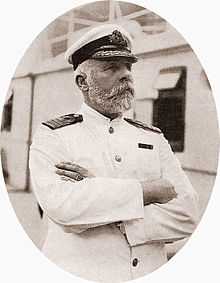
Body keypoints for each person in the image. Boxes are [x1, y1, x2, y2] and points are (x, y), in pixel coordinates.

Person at [29, 24, 198, 283]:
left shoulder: (152, 137)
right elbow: (64, 209)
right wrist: (147, 192)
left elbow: (187, 215)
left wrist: (101, 199)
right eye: (111, 68)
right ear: (82, 81)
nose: (126, 76)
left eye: (128, 67)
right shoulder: (53, 136)